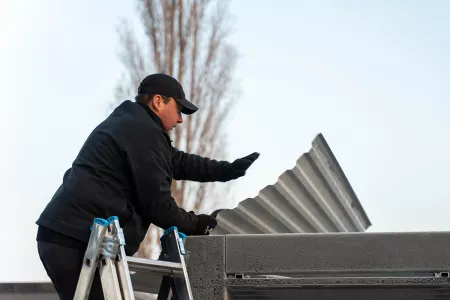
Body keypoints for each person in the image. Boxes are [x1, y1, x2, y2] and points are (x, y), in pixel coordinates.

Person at [35, 73, 259, 299]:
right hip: (75, 241)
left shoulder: (135, 126)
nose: (180, 119)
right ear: (158, 101)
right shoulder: (143, 132)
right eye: (179, 109)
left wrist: (226, 170)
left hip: (65, 235)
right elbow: (159, 207)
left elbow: (176, 162)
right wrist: (201, 224)